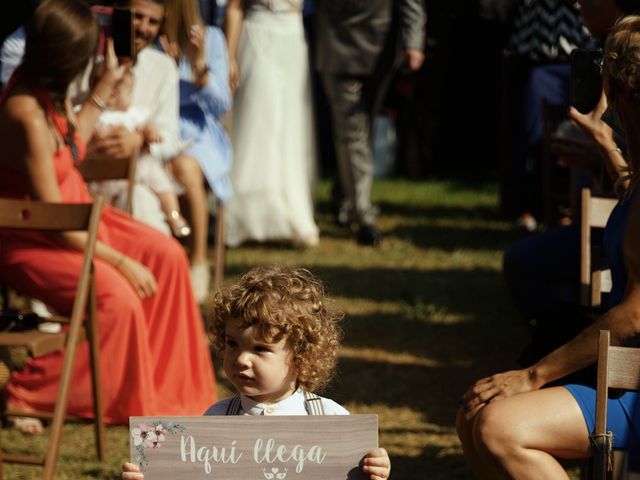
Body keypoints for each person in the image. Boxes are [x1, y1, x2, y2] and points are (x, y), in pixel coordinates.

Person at [0, 0, 216, 431]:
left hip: (76, 220)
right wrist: (118, 260)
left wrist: (103, 85)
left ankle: (165, 391)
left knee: (167, 257)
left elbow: (70, 146)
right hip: (35, 235)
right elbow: (52, 219)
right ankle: (24, 393)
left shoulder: (48, 92)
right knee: (117, 299)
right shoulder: (23, 109)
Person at [456, 15, 640, 477]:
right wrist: (607, 146)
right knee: (473, 413)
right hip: (625, 372)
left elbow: (636, 315)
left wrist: (533, 375)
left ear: (616, 92)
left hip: (636, 384)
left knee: (500, 427)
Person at [122, 264, 391, 480]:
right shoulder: (215, 420)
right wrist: (154, 472)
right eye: (232, 344)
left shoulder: (332, 421)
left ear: (301, 355)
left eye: (260, 349)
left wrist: (373, 470)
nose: (241, 359)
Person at [314, 0, 426, 246]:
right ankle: (364, 215)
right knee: (352, 132)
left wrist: (413, 42)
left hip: (381, 47)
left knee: (364, 130)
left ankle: (343, 196)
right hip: (337, 43)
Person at [222, 0, 320, 249]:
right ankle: (246, 217)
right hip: (257, 34)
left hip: (291, 37)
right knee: (258, 120)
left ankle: (291, 213)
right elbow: (234, 7)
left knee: (290, 126)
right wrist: (229, 55)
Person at [159, 0, 233, 302]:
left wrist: (198, 64)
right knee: (166, 167)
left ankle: (198, 260)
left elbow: (220, 104)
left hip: (197, 132)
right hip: (158, 126)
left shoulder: (212, 37)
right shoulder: (148, 38)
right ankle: (168, 261)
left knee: (185, 167)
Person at [89, 66, 192, 237]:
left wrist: (148, 135)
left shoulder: (131, 114)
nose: (132, 97)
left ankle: (174, 214)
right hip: (102, 174)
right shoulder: (95, 113)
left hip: (135, 168)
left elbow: (146, 125)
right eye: (129, 93)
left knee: (160, 182)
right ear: (113, 95)